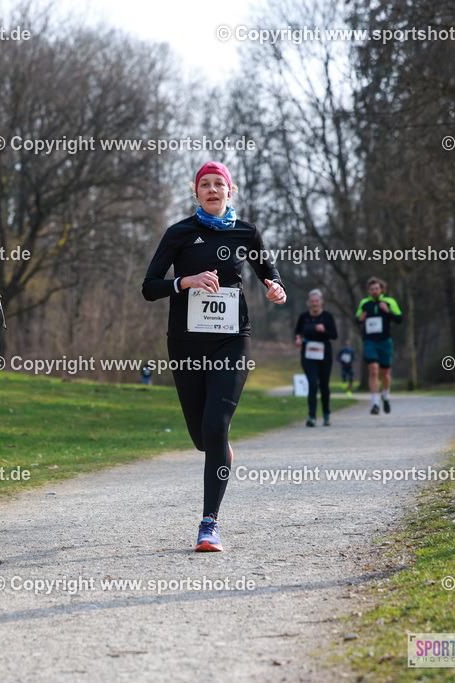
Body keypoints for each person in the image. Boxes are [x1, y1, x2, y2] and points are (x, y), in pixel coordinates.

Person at [142, 161, 287, 552]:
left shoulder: (246, 232)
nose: (211, 190)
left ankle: (209, 524)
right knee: (202, 437)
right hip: (186, 344)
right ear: (196, 193)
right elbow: (149, 287)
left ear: (230, 191)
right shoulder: (180, 233)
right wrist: (185, 281)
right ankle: (217, 445)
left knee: (215, 425)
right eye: (203, 184)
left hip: (231, 342)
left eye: (217, 184)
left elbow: (268, 273)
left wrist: (276, 289)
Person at [355, 277, 402, 415]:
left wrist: (387, 311)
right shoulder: (364, 303)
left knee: (385, 372)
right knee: (373, 370)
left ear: (381, 289)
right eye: (372, 289)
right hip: (370, 341)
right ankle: (375, 404)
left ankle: (385, 396)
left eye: (377, 288)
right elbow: (357, 318)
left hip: (385, 341)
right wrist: (360, 318)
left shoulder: (389, 302)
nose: (374, 291)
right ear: (368, 291)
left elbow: (399, 319)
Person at [294, 289, 338, 427]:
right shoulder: (304, 317)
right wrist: (298, 339)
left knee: (324, 385)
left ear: (321, 302)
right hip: (308, 354)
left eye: (317, 301)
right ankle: (312, 417)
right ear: (309, 302)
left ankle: (326, 414)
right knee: (313, 385)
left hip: (325, 354)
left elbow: (334, 335)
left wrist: (324, 330)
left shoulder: (327, 317)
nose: (314, 303)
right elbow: (298, 331)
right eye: (312, 301)